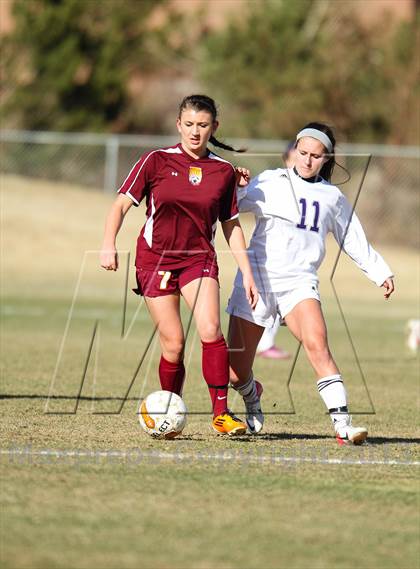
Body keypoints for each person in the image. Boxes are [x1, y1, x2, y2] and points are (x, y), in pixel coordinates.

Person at [100, 94, 258, 436]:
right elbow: (119, 206)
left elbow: (231, 225)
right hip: (154, 259)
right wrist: (108, 244)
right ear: (178, 125)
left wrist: (247, 272)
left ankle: (221, 414)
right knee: (173, 343)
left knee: (211, 329)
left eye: (203, 125)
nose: (195, 132)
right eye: (189, 125)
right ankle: (169, 408)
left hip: (199, 260)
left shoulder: (224, 171)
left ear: (214, 127)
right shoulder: (155, 161)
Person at [227, 122, 395, 443]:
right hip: (257, 280)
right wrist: (239, 187)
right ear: (293, 151)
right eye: (302, 152)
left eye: (315, 156)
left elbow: (352, 238)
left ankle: (343, 425)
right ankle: (252, 395)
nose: (306, 160)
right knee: (235, 372)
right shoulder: (271, 181)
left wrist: (379, 272)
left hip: (300, 282)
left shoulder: (332, 196)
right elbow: (230, 208)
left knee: (318, 344)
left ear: (326, 158)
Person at [256, 142, 295, 361]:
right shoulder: (274, 181)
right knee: (264, 304)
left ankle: (265, 344)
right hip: (269, 256)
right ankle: (263, 345)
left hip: (291, 259)